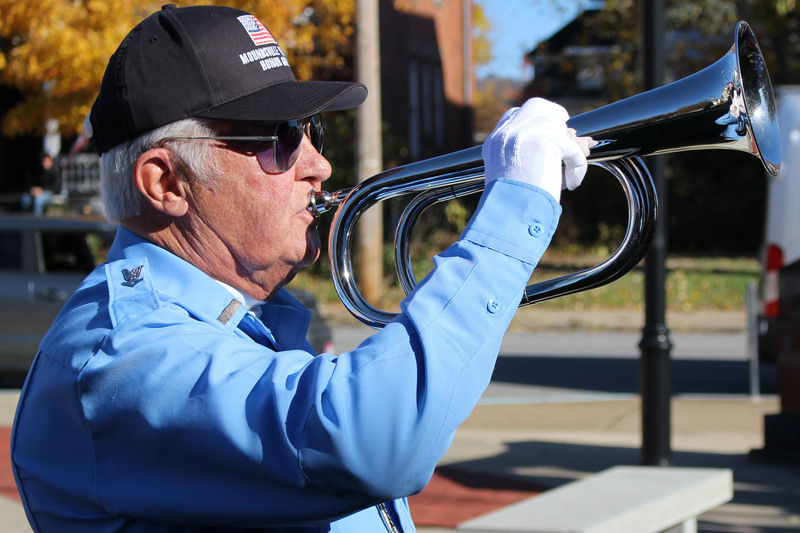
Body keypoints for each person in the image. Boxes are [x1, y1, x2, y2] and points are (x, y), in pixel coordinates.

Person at [10, 5, 590, 532]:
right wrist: (515, 210)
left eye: (310, 131)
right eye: (279, 138)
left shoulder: (241, 319)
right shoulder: (123, 352)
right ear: (167, 183)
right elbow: (374, 439)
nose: (318, 163)